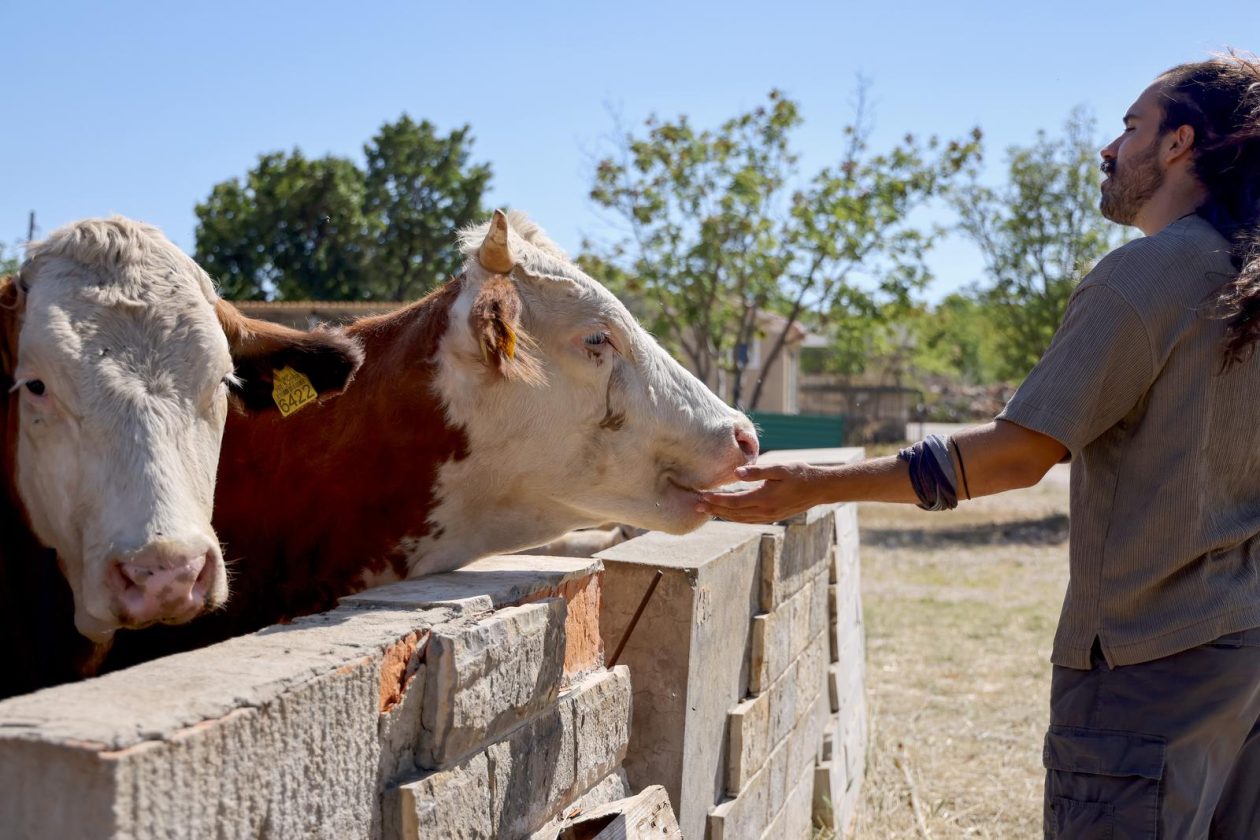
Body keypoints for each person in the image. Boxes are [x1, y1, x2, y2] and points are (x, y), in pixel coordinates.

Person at [699, 53, 1260, 838]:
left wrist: (813, 484)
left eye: (1131, 127)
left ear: (1179, 145)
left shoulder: (1145, 277)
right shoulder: (1245, 279)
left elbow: (1018, 456)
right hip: (1241, 661)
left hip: (1145, 669)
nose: (1107, 149)